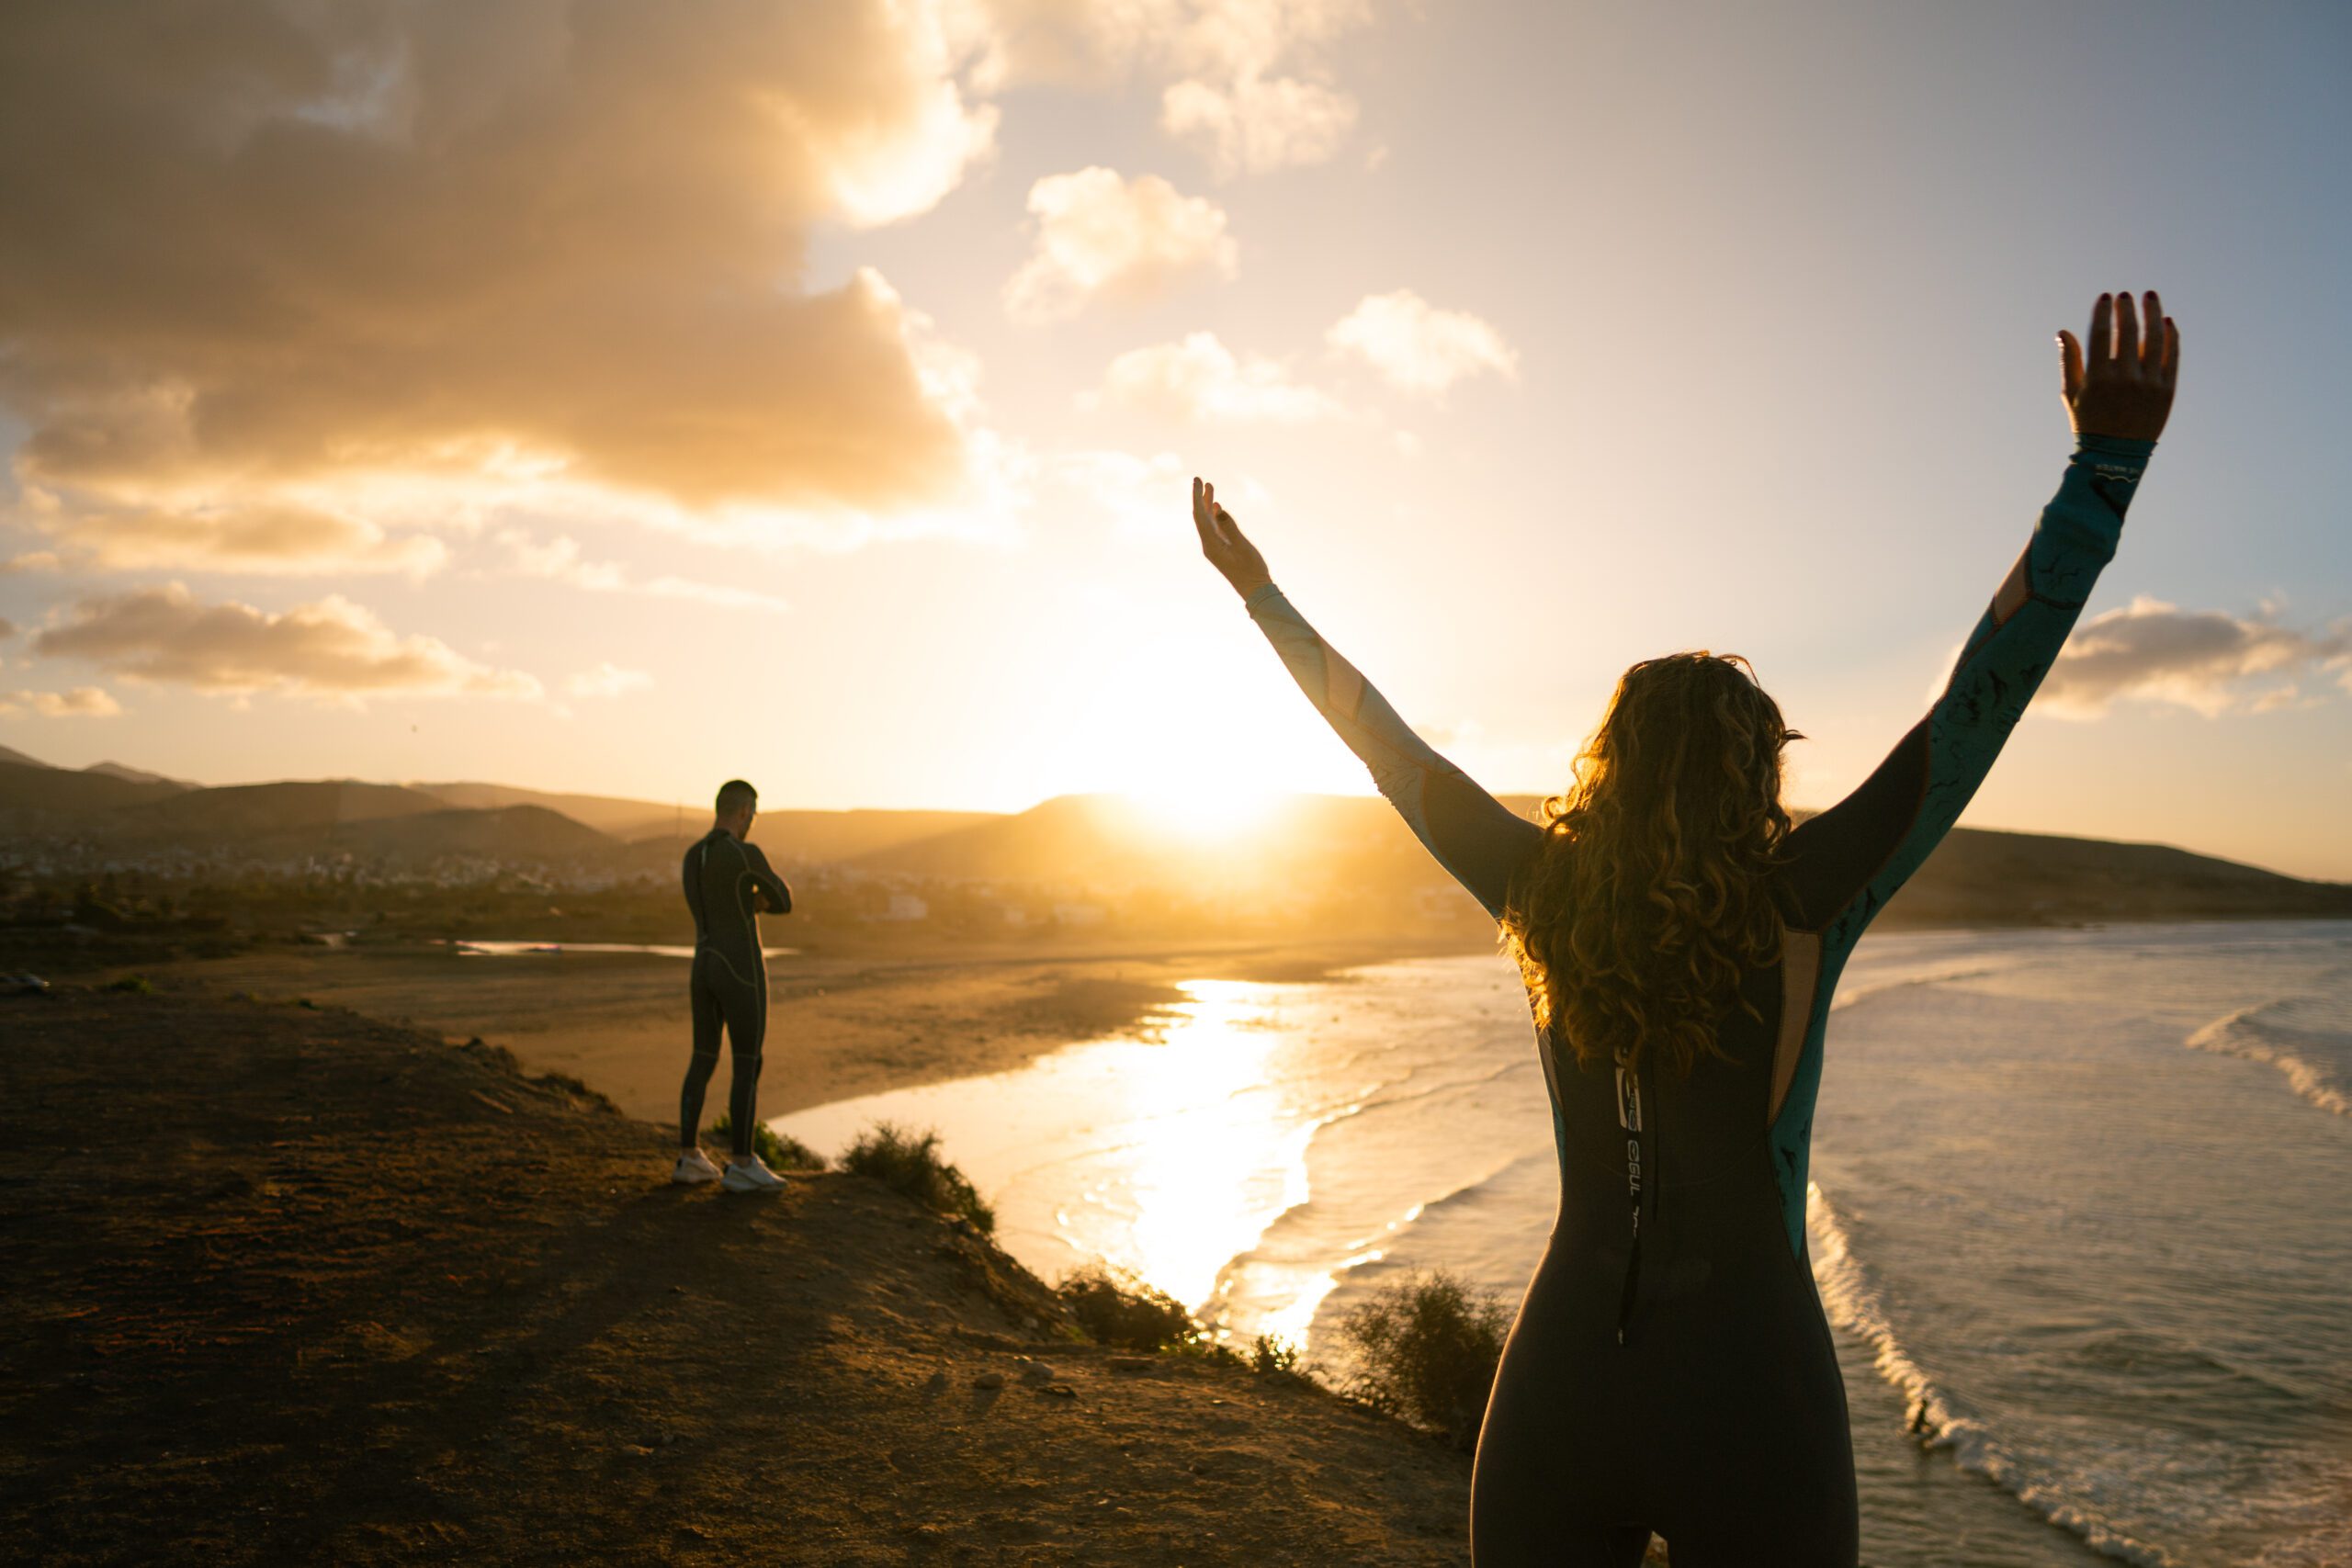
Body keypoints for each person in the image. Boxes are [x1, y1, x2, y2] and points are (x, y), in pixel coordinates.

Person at [1187, 292, 2179, 1566]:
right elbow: (1975, 706)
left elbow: (1387, 745)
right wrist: (2102, 474)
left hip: (1560, 1393)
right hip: (1755, 1394)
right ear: (1758, 770)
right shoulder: (1805, 894)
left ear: (1608, 762)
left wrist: (1261, 595)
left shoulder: (1538, 887)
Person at [674, 778, 795, 1192]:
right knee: (747, 1062)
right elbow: (783, 898)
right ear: (745, 811)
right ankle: (742, 1163)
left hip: (702, 964)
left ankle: (689, 1157)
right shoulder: (744, 854)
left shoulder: (693, 856)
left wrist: (747, 895)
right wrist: (756, 897)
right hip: (741, 968)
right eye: (753, 816)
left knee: (702, 1058)